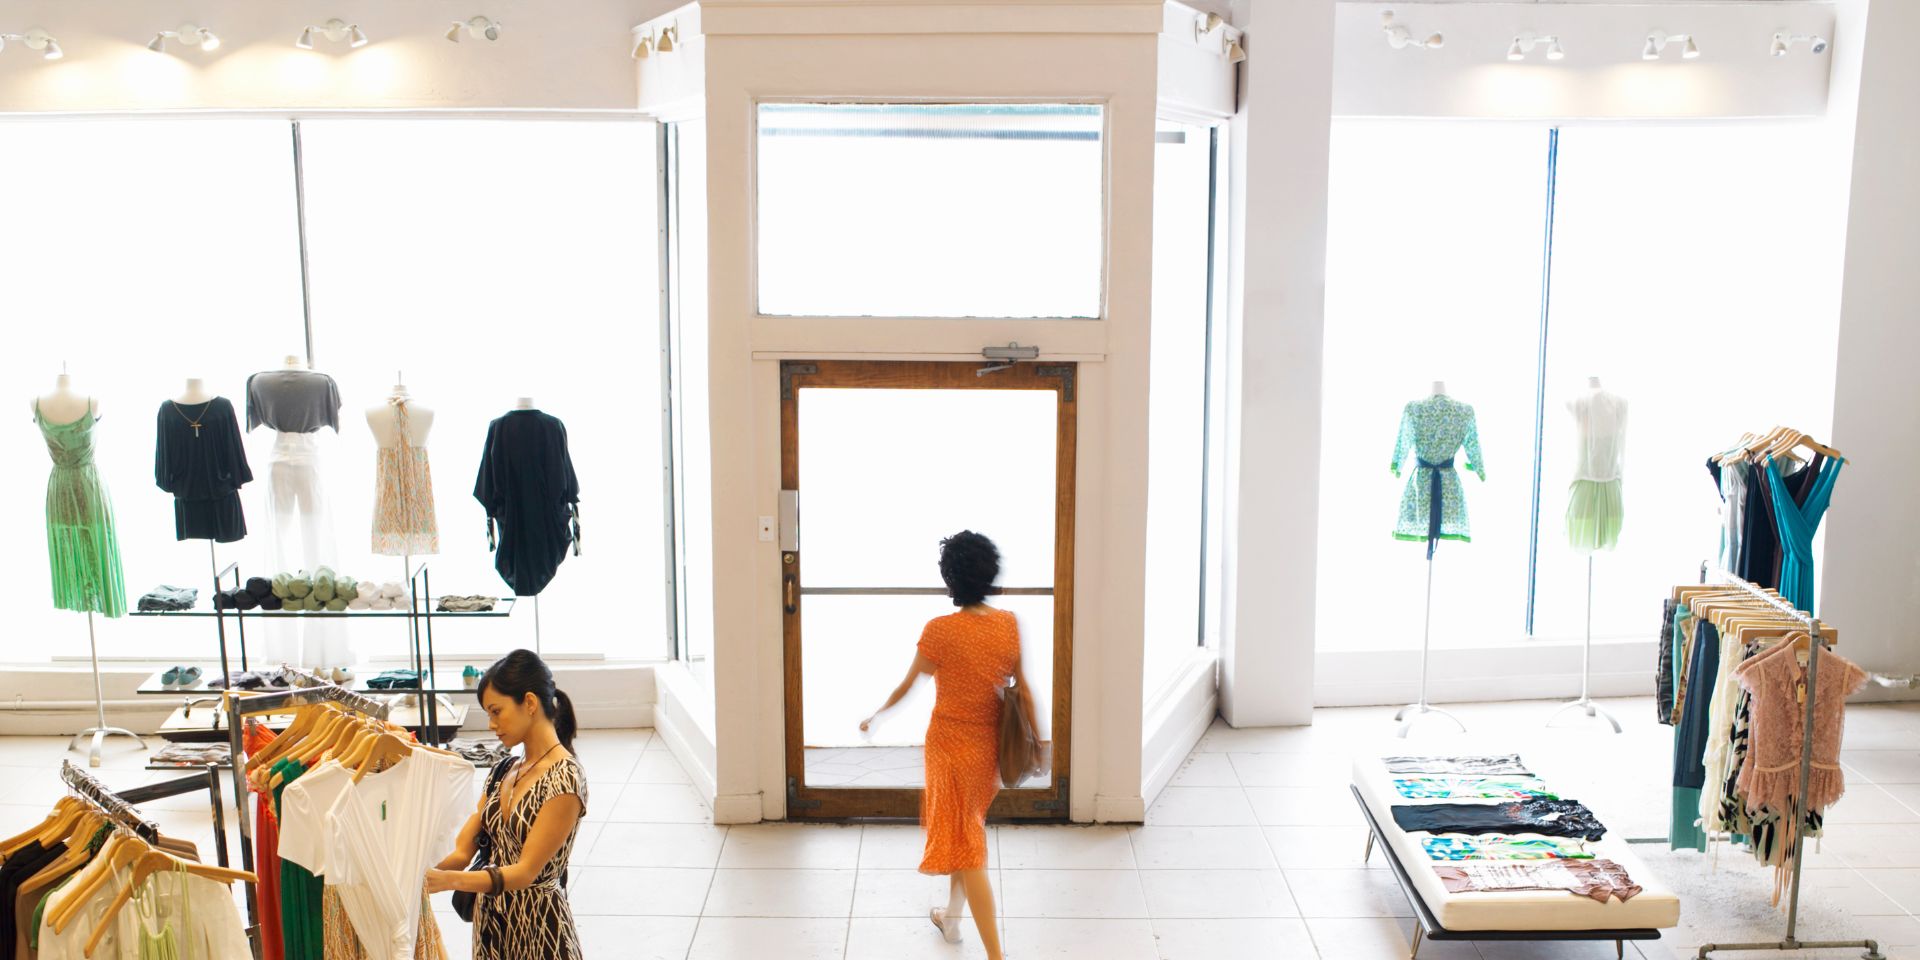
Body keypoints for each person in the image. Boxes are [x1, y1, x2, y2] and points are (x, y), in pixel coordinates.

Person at [861, 530, 1032, 960]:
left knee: (968, 845)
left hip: (949, 750)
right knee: (966, 831)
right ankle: (951, 920)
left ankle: (996, 955)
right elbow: (1024, 692)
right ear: (990, 573)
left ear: (949, 579)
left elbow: (907, 686)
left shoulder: (940, 631)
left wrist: (878, 714)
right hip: (988, 751)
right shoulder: (1008, 624)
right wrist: (1037, 742)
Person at [426, 649, 587, 959]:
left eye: (496, 711)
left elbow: (525, 872)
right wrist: (415, 876)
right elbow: (463, 851)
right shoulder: (503, 769)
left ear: (529, 702)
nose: (491, 724)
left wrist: (447, 881)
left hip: (540, 930)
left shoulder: (565, 779)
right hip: (492, 925)